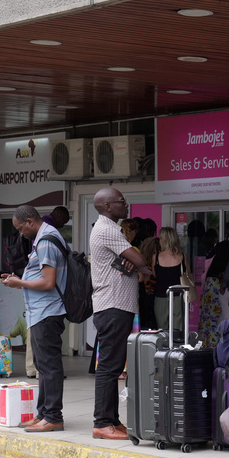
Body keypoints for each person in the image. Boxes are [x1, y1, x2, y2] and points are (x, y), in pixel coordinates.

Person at [89, 188, 151, 440]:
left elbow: (141, 263)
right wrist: (136, 260)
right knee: (109, 367)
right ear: (106, 206)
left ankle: (112, 420)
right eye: (120, 202)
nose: (126, 205)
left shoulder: (113, 229)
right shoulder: (107, 229)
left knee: (114, 367)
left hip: (118, 306)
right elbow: (140, 258)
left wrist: (136, 261)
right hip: (112, 306)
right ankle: (102, 423)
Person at [1, 205, 68, 432]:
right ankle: (43, 414)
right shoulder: (43, 237)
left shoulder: (47, 240)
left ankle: (53, 416)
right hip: (39, 312)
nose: (21, 234)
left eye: (21, 229)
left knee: (48, 366)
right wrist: (19, 279)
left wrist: (19, 283)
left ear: (30, 221)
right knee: (42, 365)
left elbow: (48, 282)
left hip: (47, 312)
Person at [152, 227, 186, 331]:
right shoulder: (183, 256)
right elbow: (187, 275)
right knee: (178, 330)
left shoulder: (156, 257)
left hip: (161, 296)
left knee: (162, 330)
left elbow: (154, 275)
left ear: (164, 240)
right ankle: (177, 347)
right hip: (179, 297)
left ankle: (164, 347)